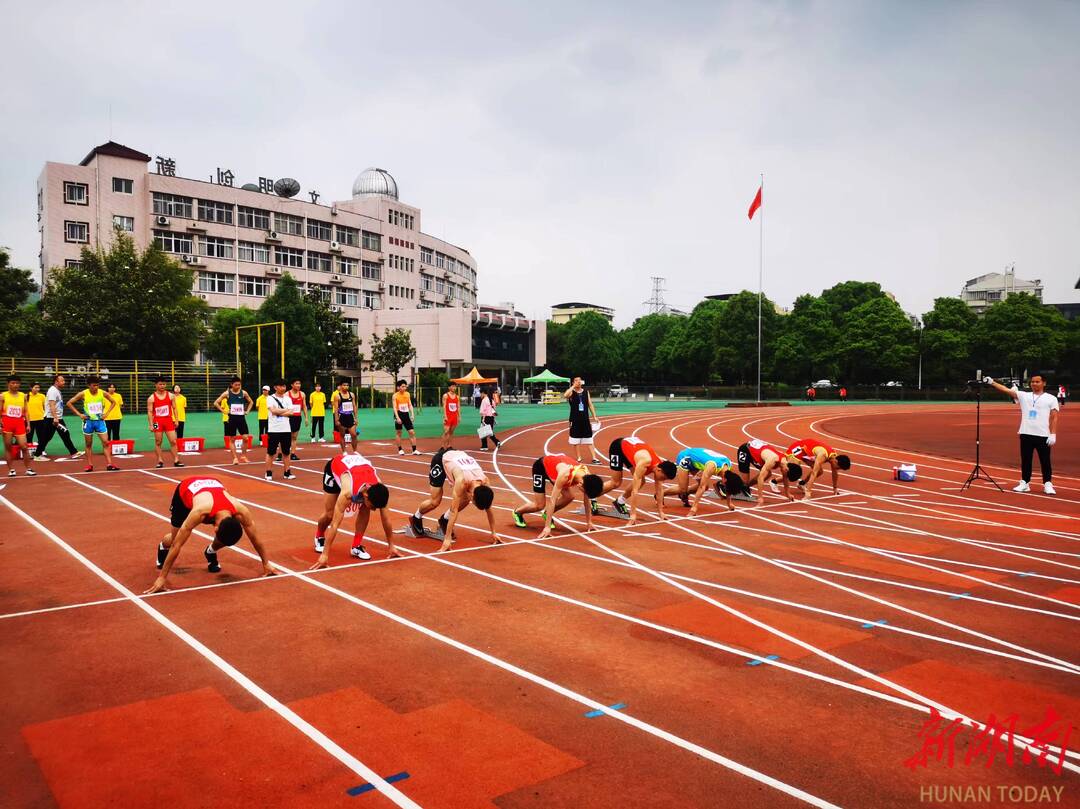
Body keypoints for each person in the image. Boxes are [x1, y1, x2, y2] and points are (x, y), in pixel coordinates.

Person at [145, 476, 274, 594]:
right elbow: (176, 545)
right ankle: (162, 546)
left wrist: (266, 563)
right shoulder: (199, 512)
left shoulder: (241, 511)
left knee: (228, 535)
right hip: (185, 492)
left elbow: (255, 538)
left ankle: (210, 551)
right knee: (175, 537)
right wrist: (162, 577)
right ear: (215, 528)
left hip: (213, 485)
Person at [311, 453, 399, 566]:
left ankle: (356, 546)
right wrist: (325, 555)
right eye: (374, 507)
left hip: (359, 469)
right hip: (335, 469)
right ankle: (319, 536)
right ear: (366, 496)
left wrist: (391, 545)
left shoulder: (379, 490)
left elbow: (386, 519)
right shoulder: (348, 492)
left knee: (365, 509)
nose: (374, 510)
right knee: (330, 514)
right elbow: (335, 524)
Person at [984, 374, 1059, 496]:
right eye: (1032, 382)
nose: (1034, 384)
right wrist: (992, 382)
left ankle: (1047, 484)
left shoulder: (1051, 398)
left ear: (1044, 383)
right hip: (1026, 433)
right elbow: (1006, 390)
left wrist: (1053, 434)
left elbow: (1054, 417)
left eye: (1037, 382)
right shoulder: (1024, 396)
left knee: (1045, 461)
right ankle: (1024, 483)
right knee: (1026, 460)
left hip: (1043, 435)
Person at [410, 449, 498, 552]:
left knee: (466, 499)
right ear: (474, 494)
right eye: (474, 502)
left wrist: (494, 532)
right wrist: (447, 540)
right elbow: (454, 510)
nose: (472, 503)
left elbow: (488, 507)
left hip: (457, 458)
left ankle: (444, 519)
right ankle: (416, 517)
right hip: (441, 460)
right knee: (435, 501)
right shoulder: (461, 481)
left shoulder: (485, 481)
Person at [512, 453, 604, 538]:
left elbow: (586, 500)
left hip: (556, 469)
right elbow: (552, 500)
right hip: (541, 467)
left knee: (569, 496)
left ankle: (547, 514)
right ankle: (518, 512)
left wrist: (589, 522)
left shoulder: (587, 475)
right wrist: (547, 527)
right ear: (580, 484)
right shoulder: (564, 474)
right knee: (539, 505)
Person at [600, 436, 678, 525]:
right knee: (616, 483)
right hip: (618, 448)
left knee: (642, 481)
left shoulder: (660, 466)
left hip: (631, 451)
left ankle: (619, 501)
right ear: (659, 470)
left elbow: (659, 491)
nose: (663, 480)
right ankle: (592, 495)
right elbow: (635, 491)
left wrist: (661, 512)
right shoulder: (645, 462)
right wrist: (633, 515)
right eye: (663, 478)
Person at [67, 375, 119, 472]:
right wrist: (79, 414)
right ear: (89, 385)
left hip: (100, 422)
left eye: (97, 385)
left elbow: (113, 402)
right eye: (94, 385)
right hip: (88, 422)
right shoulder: (83, 394)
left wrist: (106, 414)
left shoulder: (102, 393)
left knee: (106, 442)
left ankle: (109, 464)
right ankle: (90, 465)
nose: (96, 387)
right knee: (88, 444)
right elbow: (69, 403)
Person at [668, 447, 744, 514]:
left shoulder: (729, 468)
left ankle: (685, 494)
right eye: (725, 485)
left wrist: (729, 504)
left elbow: (729, 485)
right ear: (725, 479)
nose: (724, 487)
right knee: (683, 489)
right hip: (685, 457)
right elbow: (701, 487)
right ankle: (660, 494)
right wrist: (694, 509)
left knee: (706, 486)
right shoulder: (712, 466)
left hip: (697, 462)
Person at [735, 438, 802, 506]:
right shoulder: (772, 460)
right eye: (786, 474)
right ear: (787, 469)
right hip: (746, 450)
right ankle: (730, 486)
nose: (784, 476)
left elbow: (785, 478)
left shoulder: (785, 463)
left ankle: (745, 487)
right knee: (745, 481)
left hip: (757, 455)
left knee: (767, 474)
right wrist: (760, 497)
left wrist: (788, 494)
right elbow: (760, 478)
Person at [32, 374, 83, 460]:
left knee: (52, 436)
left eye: (64, 380)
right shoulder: (52, 391)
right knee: (58, 434)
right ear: (56, 382)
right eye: (62, 380)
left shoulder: (57, 390)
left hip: (56, 417)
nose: (64, 382)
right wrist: (55, 418)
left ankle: (74, 452)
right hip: (52, 418)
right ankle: (37, 455)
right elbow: (52, 405)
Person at [785, 438, 851, 500]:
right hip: (797, 449)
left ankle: (801, 483)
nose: (837, 469)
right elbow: (814, 473)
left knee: (820, 471)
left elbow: (834, 473)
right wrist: (808, 492)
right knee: (793, 473)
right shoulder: (822, 455)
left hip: (806, 452)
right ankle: (774, 482)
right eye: (838, 468)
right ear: (836, 462)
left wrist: (835, 488)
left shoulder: (833, 456)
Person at [213, 376, 254, 465]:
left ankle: (243, 456)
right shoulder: (227, 393)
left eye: (239, 385)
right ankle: (235, 458)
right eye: (236, 385)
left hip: (241, 418)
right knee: (232, 439)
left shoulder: (243, 393)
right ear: (231, 385)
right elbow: (216, 403)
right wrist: (223, 411)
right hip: (231, 418)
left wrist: (247, 411)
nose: (238, 386)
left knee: (246, 438)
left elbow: (251, 402)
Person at [2, 375, 37, 477]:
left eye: (17, 383)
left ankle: (28, 469)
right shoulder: (3, 396)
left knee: (24, 446)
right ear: (8, 384)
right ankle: (11, 470)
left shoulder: (23, 396)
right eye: (13, 383)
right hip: (7, 423)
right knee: (8, 447)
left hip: (19, 423)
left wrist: (28, 424)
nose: (15, 385)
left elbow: (26, 411)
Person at [147, 376, 184, 469]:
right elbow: (150, 412)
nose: (162, 386)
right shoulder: (151, 398)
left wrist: (176, 420)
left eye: (164, 384)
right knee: (158, 441)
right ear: (156, 385)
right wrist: (151, 425)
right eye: (160, 384)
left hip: (168, 420)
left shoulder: (171, 396)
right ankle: (160, 460)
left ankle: (176, 460)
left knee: (173, 441)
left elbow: (174, 408)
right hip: (157, 422)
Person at [264, 380, 296, 481]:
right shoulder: (270, 398)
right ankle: (268, 472)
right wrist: (285, 411)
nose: (283, 388)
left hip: (286, 429)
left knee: (286, 452)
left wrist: (279, 412)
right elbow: (273, 411)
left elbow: (292, 412)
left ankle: (287, 472)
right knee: (271, 452)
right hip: (274, 429)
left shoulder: (288, 399)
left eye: (284, 386)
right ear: (275, 387)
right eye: (280, 386)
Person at [564, 377, 600, 464]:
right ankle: (579, 457)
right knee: (575, 439)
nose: (578, 382)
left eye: (579, 381)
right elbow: (565, 395)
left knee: (589, 438)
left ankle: (594, 458)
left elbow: (590, 404)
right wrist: (573, 386)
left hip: (585, 419)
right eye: (576, 381)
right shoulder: (571, 392)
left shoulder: (585, 392)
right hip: (574, 419)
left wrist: (594, 416)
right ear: (573, 382)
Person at [392, 379, 420, 455]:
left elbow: (410, 405)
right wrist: (397, 417)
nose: (404, 388)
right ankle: (400, 449)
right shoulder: (395, 396)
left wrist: (412, 414)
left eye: (405, 386)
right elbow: (394, 407)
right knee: (399, 432)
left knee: (412, 432)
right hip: (398, 414)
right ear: (398, 387)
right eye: (403, 386)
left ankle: (414, 450)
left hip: (406, 414)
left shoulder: (407, 394)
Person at [332, 379, 358, 451]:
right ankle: (344, 452)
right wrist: (336, 420)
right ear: (340, 386)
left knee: (354, 435)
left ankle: (355, 451)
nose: (346, 387)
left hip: (350, 416)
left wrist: (356, 418)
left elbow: (354, 406)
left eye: (347, 385)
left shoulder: (351, 395)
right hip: (342, 417)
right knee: (342, 435)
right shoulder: (337, 396)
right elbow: (336, 409)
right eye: (344, 385)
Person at [286, 379, 307, 461]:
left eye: (299, 383)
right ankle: (281, 453)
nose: (298, 385)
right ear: (292, 385)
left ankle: (293, 454)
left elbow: (304, 406)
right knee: (286, 436)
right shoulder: (287, 394)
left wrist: (306, 418)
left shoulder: (302, 394)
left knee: (294, 437)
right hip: (288, 417)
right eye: (296, 383)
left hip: (297, 417)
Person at [441, 382, 461, 449]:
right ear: (449, 387)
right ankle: (443, 447)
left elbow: (458, 407)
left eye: (455, 386)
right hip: (448, 416)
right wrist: (445, 416)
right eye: (452, 386)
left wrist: (459, 416)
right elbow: (444, 406)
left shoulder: (457, 397)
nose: (454, 388)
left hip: (454, 416)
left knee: (451, 432)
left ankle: (449, 446)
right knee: (446, 431)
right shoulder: (445, 395)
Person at [26, 382, 46, 447]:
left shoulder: (42, 396)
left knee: (41, 436)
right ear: (31, 388)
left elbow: (45, 407)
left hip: (40, 419)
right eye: (36, 387)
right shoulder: (26, 396)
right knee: (29, 436)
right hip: (29, 420)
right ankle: (29, 450)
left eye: (38, 387)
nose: (37, 389)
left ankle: (41, 450)